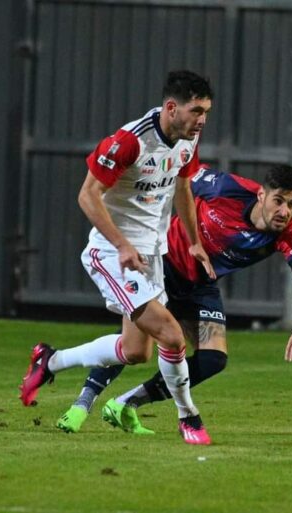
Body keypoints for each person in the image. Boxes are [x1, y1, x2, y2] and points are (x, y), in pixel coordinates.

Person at [19, 70, 216, 445]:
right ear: (171, 108)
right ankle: (189, 417)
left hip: (150, 254)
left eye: (206, 111)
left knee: (134, 351)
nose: (202, 119)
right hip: (112, 253)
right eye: (196, 111)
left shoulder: (188, 140)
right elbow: (87, 195)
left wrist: (193, 242)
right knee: (172, 337)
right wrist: (123, 245)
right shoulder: (129, 142)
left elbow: (184, 187)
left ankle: (50, 360)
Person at [55, 164, 292, 435]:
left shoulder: (290, 231)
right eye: (278, 201)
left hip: (201, 285)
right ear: (262, 195)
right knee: (135, 343)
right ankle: (82, 404)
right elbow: (179, 180)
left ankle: (127, 402)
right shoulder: (224, 187)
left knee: (214, 359)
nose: (284, 211)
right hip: (165, 269)